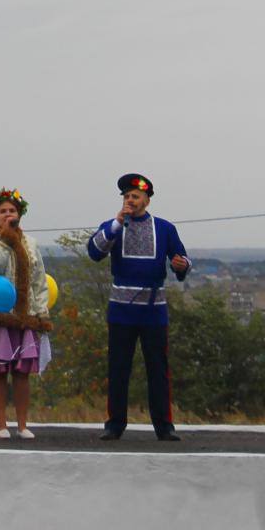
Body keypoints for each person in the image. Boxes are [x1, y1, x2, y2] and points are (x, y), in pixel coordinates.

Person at [87, 173, 191, 441]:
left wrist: (181, 266)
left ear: (147, 200)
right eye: (127, 196)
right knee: (118, 368)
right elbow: (95, 252)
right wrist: (116, 223)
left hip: (154, 312)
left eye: (135, 196)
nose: (130, 200)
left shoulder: (165, 228)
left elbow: (181, 260)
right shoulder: (112, 226)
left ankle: (164, 426)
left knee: (158, 369)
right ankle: (115, 424)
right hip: (121, 311)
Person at [0, 188, 52, 439]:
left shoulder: (31, 243)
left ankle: (23, 424)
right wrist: (6, 239)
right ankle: (1, 424)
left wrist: (42, 313)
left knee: (22, 372)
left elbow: (39, 280)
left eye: (12, 211)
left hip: (24, 314)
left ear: (19, 214)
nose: (8, 214)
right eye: (3, 211)